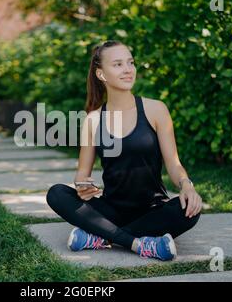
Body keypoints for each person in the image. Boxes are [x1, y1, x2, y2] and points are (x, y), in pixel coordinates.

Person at [46, 40, 202, 261]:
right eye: (118, 64)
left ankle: (101, 237)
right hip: (110, 209)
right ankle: (140, 244)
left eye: (130, 62)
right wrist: (83, 186)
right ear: (101, 74)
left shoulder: (156, 109)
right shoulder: (93, 120)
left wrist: (187, 186)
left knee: (190, 209)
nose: (128, 69)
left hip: (152, 210)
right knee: (57, 194)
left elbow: (174, 164)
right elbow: (82, 174)